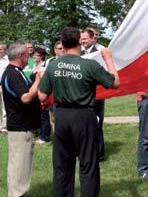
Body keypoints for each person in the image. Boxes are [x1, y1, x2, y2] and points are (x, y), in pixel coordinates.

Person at [38, 26, 119, 197]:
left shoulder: (53, 65)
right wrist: (109, 59)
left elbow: (42, 95)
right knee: (88, 165)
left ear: (64, 44)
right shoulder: (89, 65)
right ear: (79, 43)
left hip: (61, 117)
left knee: (62, 166)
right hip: (84, 116)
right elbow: (114, 83)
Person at [1, 42, 41, 197]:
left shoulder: (14, 72)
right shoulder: (14, 74)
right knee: (20, 169)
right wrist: (38, 80)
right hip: (20, 128)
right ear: (20, 56)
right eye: (27, 54)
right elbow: (25, 98)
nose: (29, 57)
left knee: (17, 167)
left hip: (19, 126)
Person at [81, 28, 106, 161]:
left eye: (85, 39)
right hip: (83, 94)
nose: (82, 41)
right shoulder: (78, 53)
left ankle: (99, 154)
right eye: (81, 39)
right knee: (84, 124)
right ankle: (85, 153)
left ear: (92, 39)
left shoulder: (99, 52)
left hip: (97, 94)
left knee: (97, 123)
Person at [30, 46, 51, 145]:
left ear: (42, 56)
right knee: (37, 114)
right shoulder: (34, 65)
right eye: (33, 54)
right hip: (34, 94)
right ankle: (39, 133)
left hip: (41, 93)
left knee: (44, 115)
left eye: (37, 55)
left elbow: (44, 81)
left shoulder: (43, 66)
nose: (34, 56)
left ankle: (45, 137)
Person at [0, 42, 9, 134]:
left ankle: (4, 127)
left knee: (5, 107)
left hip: (3, 85)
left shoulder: (8, 60)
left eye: (1, 49)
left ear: (5, 50)